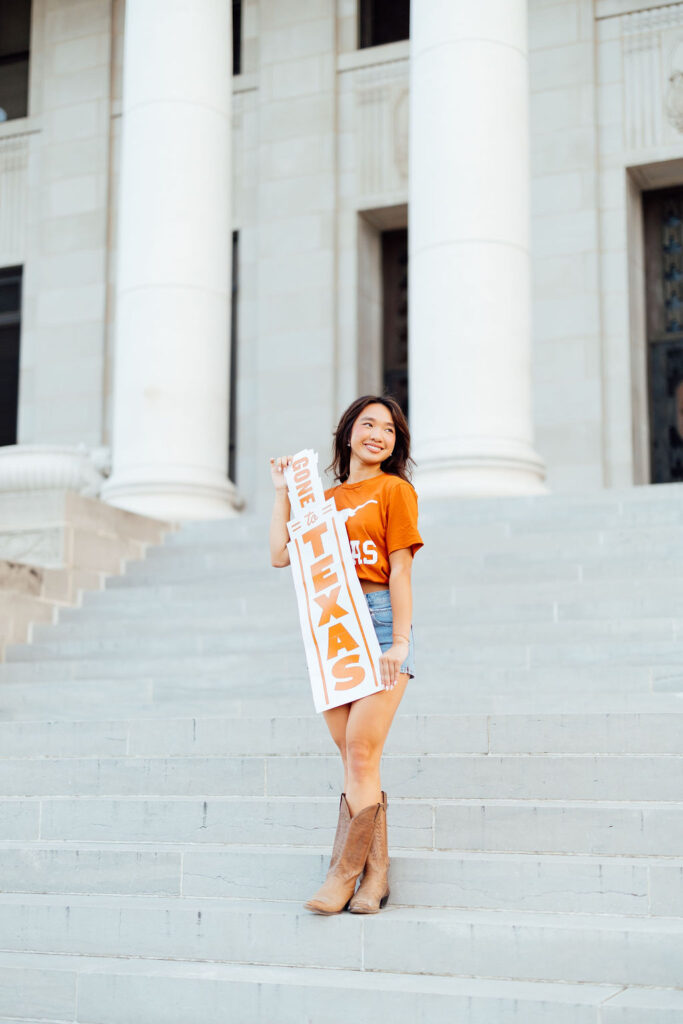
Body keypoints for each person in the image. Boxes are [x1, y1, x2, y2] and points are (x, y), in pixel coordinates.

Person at [269, 394, 423, 914]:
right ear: (348, 432)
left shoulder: (394, 490)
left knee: (360, 750)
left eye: (390, 429)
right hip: (334, 626)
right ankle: (375, 876)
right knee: (355, 757)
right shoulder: (326, 500)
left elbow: (400, 569)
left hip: (378, 623)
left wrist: (399, 641)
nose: (379, 434)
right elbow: (280, 556)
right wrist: (283, 495)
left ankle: (342, 875)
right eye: (369, 424)